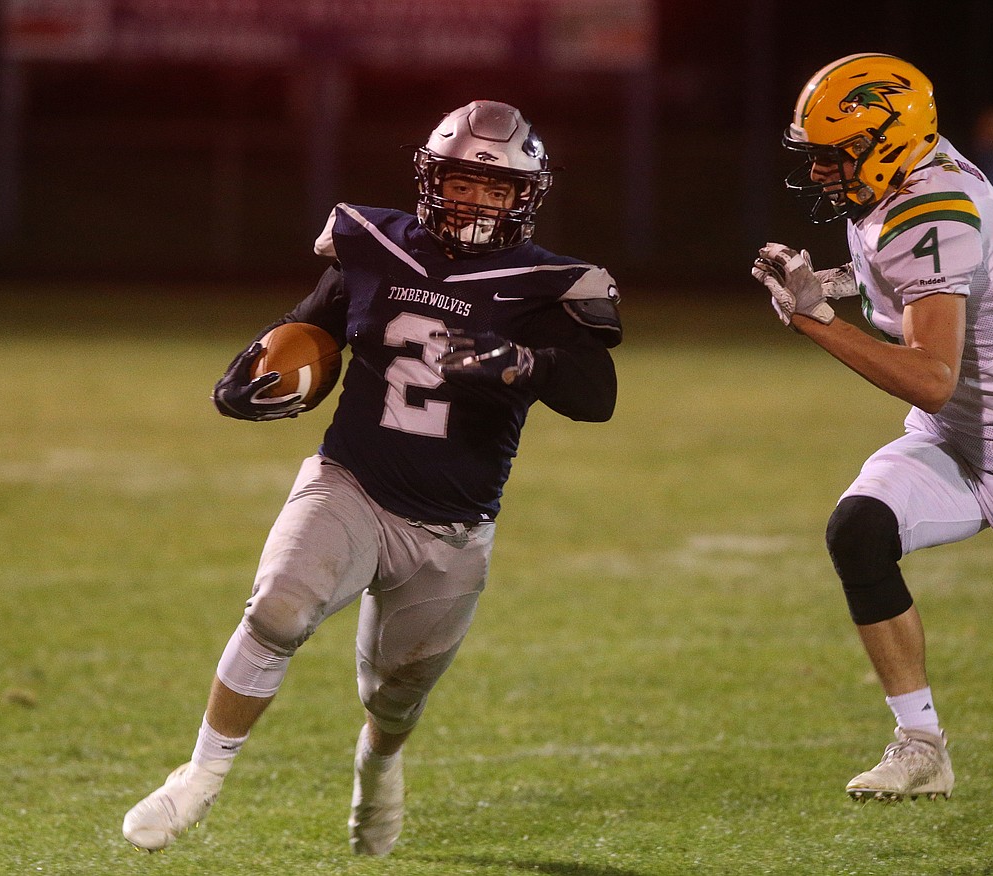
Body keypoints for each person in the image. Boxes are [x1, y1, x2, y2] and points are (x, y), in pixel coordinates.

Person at [122, 99, 622, 854]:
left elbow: (596, 396)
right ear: (431, 180)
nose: (475, 201)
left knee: (393, 698)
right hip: (350, 482)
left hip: (452, 527)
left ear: (525, 197)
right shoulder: (375, 243)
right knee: (277, 608)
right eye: (461, 182)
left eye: (495, 189)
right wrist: (259, 370)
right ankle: (199, 776)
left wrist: (522, 364)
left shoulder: (549, 283)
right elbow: (314, 326)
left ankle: (379, 763)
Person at [751, 53, 993, 802]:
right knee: (858, 532)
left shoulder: (933, 206)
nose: (820, 171)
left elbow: (932, 377)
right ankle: (921, 746)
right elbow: (907, 283)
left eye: (836, 153)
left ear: (888, 140)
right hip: (953, 442)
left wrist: (815, 319)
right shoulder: (904, 183)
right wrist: (832, 285)